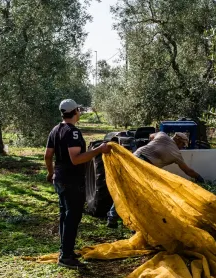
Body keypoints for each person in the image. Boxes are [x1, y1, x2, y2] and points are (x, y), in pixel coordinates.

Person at [45, 99, 111, 269]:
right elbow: (76, 159)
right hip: (71, 180)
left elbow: (47, 155)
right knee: (72, 217)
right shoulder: (72, 132)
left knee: (64, 215)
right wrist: (98, 150)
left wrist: (51, 173)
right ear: (75, 112)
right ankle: (66, 256)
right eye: (79, 111)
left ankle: (65, 250)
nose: (79, 113)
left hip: (60, 179)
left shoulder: (55, 130)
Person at [106, 131, 203, 227]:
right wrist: (199, 177)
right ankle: (136, 224)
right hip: (144, 167)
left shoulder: (162, 135)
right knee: (139, 194)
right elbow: (188, 171)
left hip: (132, 158)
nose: (183, 147)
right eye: (183, 145)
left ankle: (112, 219)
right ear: (179, 142)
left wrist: (154, 145)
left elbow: (151, 136)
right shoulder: (176, 154)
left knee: (124, 189)